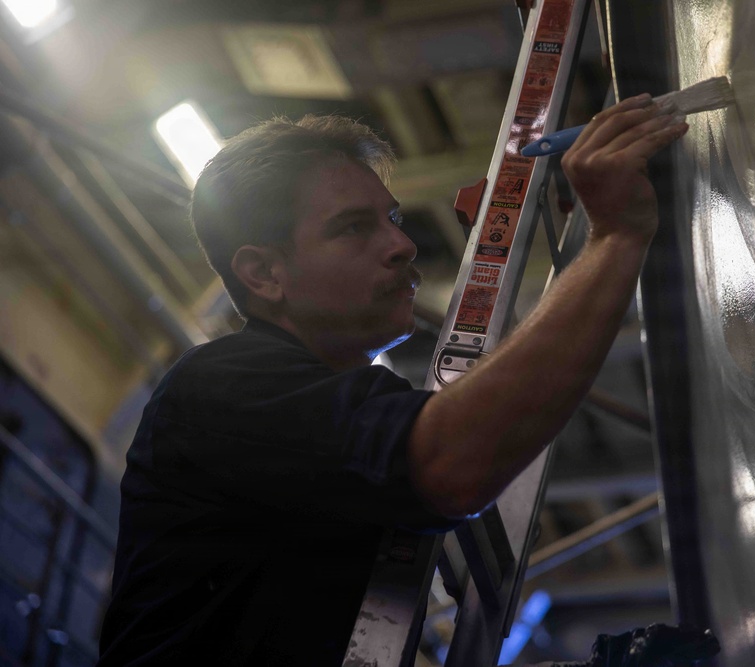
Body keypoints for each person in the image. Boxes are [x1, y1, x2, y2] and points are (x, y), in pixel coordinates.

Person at [96, 95, 688, 665]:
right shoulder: (219, 388)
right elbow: (447, 464)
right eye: (355, 228)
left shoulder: (335, 419)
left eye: (394, 219)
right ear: (264, 273)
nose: (403, 246)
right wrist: (613, 237)